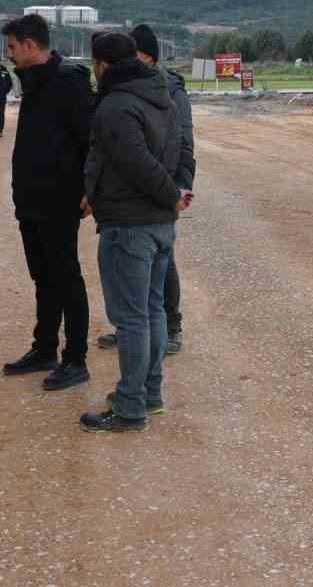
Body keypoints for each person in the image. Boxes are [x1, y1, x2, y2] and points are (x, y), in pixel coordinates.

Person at [79, 31, 191, 433]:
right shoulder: (161, 96)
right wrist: (174, 194)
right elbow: (180, 150)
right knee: (153, 309)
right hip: (159, 223)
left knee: (131, 319)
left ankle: (130, 406)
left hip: (129, 225)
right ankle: (149, 392)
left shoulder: (116, 105)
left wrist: (169, 196)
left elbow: (136, 163)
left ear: (103, 64)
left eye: (93, 63)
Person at [0, 13, 95, 390]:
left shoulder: (68, 80)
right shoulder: (33, 81)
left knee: (66, 277)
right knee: (43, 277)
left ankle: (76, 359)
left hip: (59, 198)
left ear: (29, 45)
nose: (8, 54)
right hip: (31, 199)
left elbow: (90, 139)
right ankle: (44, 349)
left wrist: (90, 188)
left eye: (11, 47)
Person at [98, 23, 194, 355]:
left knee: (162, 267)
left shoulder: (170, 91)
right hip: (130, 197)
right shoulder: (122, 90)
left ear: (148, 56)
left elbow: (184, 143)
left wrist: (179, 189)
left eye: (133, 53)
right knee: (131, 271)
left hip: (161, 193)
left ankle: (171, 326)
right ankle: (131, 329)